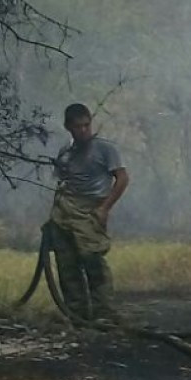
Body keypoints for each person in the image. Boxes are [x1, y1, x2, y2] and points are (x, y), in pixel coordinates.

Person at [51, 103, 129, 322]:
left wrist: (104, 208)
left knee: (93, 261)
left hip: (91, 210)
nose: (84, 130)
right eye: (78, 126)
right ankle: (76, 314)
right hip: (64, 211)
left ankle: (104, 313)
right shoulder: (65, 151)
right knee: (67, 266)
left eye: (87, 125)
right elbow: (61, 182)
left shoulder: (105, 149)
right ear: (68, 127)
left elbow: (122, 178)